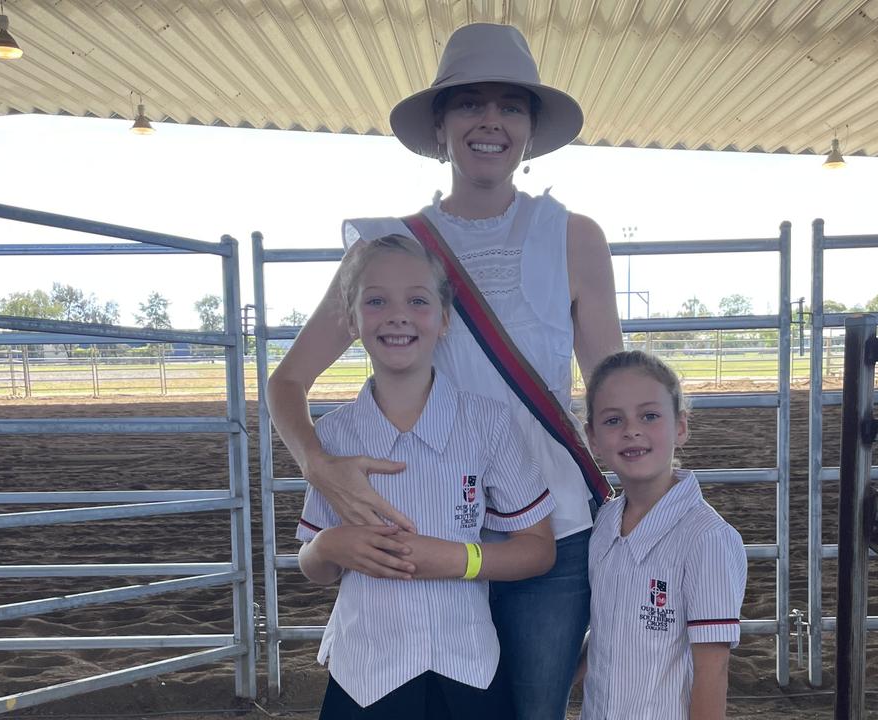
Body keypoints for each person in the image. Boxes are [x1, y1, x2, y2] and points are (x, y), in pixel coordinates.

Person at [269, 22, 622, 719]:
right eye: (468, 103)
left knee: (530, 709)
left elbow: (612, 389)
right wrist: (318, 464)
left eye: (509, 105)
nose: (489, 120)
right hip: (419, 515)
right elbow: (286, 383)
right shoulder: (386, 251)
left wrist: (651, 494)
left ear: (527, 128)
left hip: (547, 528)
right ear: (440, 125)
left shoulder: (575, 237)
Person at [296, 234, 556, 718]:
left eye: (418, 300)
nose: (398, 315)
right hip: (365, 674)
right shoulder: (331, 437)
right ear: (352, 319)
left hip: (469, 666)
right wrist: (329, 546)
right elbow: (313, 566)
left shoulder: (488, 424)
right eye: (376, 301)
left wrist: (459, 559)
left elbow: (539, 549)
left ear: (443, 318)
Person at [579, 351, 746, 720]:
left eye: (649, 416)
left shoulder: (707, 539)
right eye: (612, 420)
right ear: (592, 437)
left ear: (681, 427)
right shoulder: (604, 522)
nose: (631, 430)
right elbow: (607, 632)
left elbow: (712, 670)